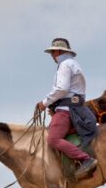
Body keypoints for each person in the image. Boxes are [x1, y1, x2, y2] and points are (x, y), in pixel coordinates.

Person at [35, 38, 99, 179]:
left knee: (53, 139)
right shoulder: (73, 64)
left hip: (66, 110)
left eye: (52, 52)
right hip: (75, 107)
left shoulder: (65, 65)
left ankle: (85, 159)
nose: (52, 55)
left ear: (58, 51)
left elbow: (62, 89)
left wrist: (44, 103)